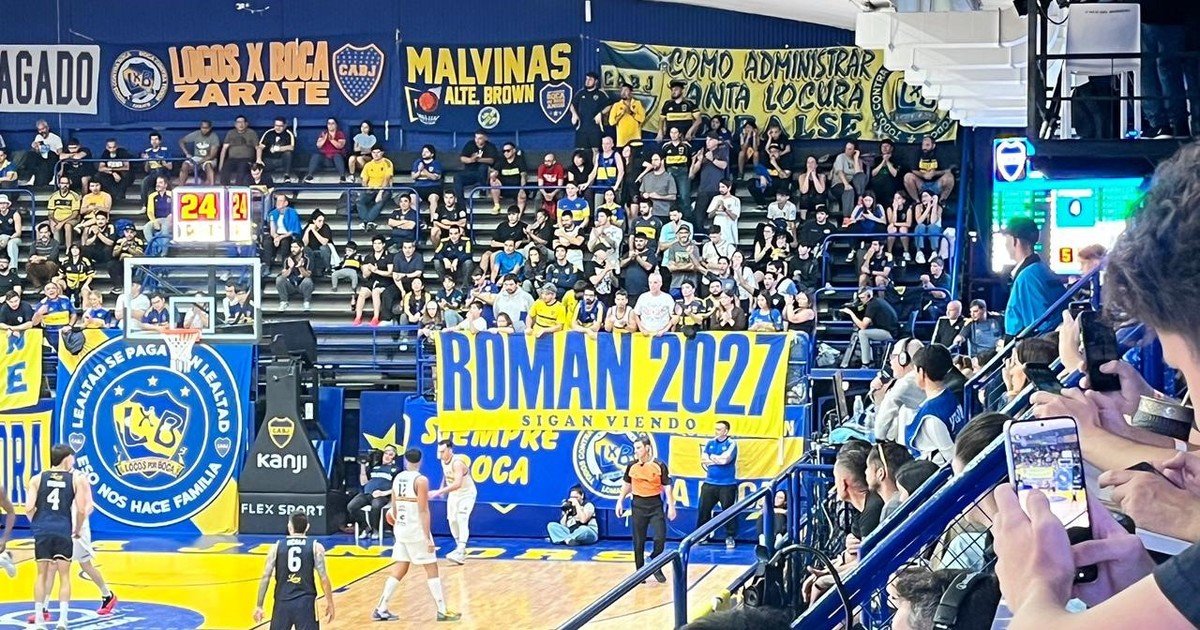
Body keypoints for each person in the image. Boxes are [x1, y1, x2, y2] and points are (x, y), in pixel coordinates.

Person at [373, 448, 461, 623]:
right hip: (415, 529)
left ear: (405, 460)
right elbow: (423, 510)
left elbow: (394, 508)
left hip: (401, 528)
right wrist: (427, 537)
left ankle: (381, 608)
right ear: (420, 461)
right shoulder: (421, 480)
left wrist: (396, 522)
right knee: (432, 568)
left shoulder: (398, 477)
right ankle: (442, 610)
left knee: (401, 567)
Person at [25, 445, 86, 630]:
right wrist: (77, 529)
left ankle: (40, 620)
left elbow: (28, 508)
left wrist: (38, 525)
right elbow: (81, 510)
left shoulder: (37, 478)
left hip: (43, 530)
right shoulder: (75, 479)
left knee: (41, 575)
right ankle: (62, 621)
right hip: (63, 529)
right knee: (64, 576)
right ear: (66, 459)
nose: (73, 461)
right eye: (72, 458)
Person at [253, 512, 334, 629]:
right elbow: (324, 579)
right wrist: (330, 602)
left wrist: (259, 605)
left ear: (289, 526)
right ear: (307, 527)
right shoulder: (316, 547)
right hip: (305, 603)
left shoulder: (276, 547)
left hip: (282, 603)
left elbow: (266, 576)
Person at [616, 436, 677, 584]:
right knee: (638, 540)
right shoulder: (632, 466)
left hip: (655, 504)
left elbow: (667, 486)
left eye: (638, 448)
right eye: (635, 448)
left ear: (647, 448)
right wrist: (620, 501)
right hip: (638, 504)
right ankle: (640, 572)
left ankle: (655, 563)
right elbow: (627, 484)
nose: (636, 451)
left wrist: (671, 505)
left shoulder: (659, 465)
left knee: (660, 537)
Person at [1002, 217, 1066, 337]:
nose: (1005, 245)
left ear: (1014, 241)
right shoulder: (1045, 271)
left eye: (1006, 239)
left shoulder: (1026, 278)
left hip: (1030, 345)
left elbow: (1039, 329)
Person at [903, 345, 963, 464]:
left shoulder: (931, 417)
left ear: (921, 372)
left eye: (915, 371)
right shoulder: (950, 395)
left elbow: (951, 458)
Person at [429, 440, 476, 565]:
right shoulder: (443, 461)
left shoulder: (457, 463)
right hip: (454, 494)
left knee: (462, 518)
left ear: (450, 450)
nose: (440, 454)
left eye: (443, 451)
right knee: (452, 520)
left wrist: (438, 492)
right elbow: (446, 475)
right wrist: (442, 487)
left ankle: (460, 549)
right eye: (439, 451)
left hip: (466, 494)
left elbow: (457, 483)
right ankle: (460, 549)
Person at [696, 421, 739, 551]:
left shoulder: (731, 443)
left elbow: (725, 460)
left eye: (719, 429)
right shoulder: (710, 443)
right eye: (716, 429)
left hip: (727, 484)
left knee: (728, 512)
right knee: (703, 510)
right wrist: (717, 459)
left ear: (726, 431)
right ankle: (702, 535)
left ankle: (730, 537)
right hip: (710, 482)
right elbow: (703, 460)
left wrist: (713, 457)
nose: (716, 431)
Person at [347, 445, 400, 539]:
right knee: (351, 506)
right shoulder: (375, 467)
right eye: (386, 453)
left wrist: (383, 493)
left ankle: (375, 529)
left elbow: (396, 487)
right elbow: (363, 482)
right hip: (367, 494)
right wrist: (363, 466)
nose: (387, 456)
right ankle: (365, 527)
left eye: (390, 454)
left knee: (376, 506)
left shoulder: (396, 469)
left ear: (394, 457)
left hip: (381, 495)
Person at [839, 287, 899, 369]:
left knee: (862, 333)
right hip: (889, 329)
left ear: (869, 296)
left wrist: (850, 313)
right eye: (860, 298)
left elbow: (863, 326)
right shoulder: (877, 301)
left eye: (862, 298)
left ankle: (866, 364)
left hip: (890, 333)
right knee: (863, 332)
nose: (861, 300)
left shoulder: (872, 305)